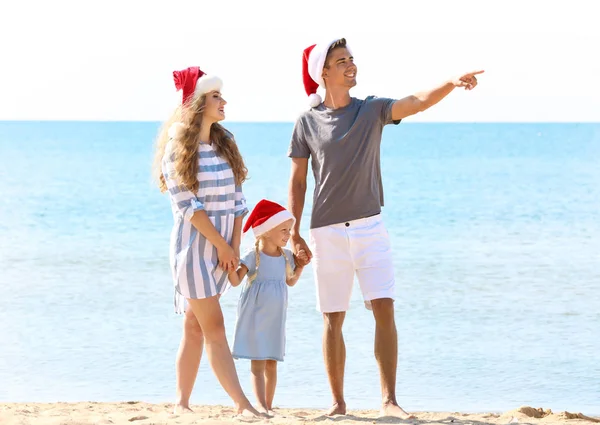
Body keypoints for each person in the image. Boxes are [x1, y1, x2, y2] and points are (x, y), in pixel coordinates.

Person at [287, 38, 483, 418]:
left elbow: (417, 101)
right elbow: (297, 183)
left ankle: (389, 400)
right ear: (323, 73)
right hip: (326, 231)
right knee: (332, 317)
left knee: (384, 309)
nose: (350, 65)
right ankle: (338, 404)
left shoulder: (372, 110)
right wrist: (293, 234)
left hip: (369, 227)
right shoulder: (306, 123)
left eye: (351, 59)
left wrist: (451, 82)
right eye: (341, 61)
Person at [152, 66, 260, 417]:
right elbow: (190, 208)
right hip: (194, 252)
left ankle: (181, 404)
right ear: (198, 102)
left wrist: (233, 247)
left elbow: (238, 202)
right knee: (214, 327)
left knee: (195, 325)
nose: (224, 100)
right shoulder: (176, 151)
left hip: (222, 248)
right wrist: (221, 246)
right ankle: (243, 404)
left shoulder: (225, 144)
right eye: (216, 96)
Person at [227, 199, 309, 415]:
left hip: (275, 318)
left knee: (272, 361)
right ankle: (260, 404)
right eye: (283, 230)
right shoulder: (253, 257)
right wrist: (228, 266)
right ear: (265, 231)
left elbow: (290, 282)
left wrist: (299, 267)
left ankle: (268, 406)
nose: (288, 235)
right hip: (255, 316)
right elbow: (235, 281)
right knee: (258, 362)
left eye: (289, 230)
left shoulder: (286, 257)